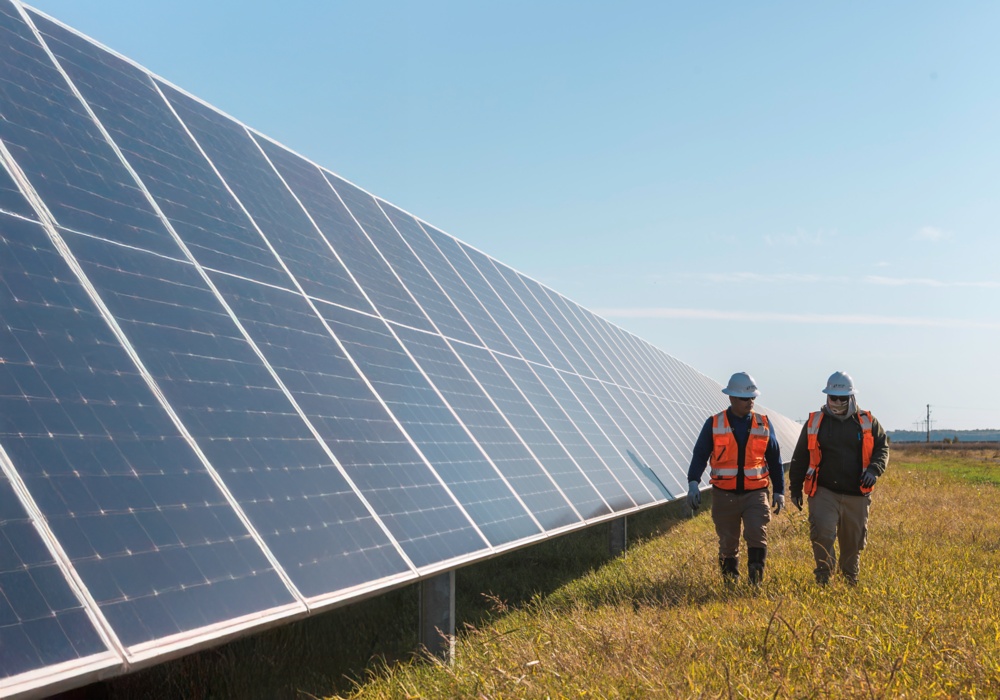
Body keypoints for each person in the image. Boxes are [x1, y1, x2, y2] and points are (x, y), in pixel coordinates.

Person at [788, 371, 889, 586]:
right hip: (825, 491)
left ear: (851, 397)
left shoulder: (868, 422)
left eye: (843, 398)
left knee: (852, 543)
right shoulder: (815, 422)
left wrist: (874, 470)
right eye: (833, 397)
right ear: (826, 397)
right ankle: (824, 578)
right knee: (822, 534)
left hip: (857, 493)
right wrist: (795, 488)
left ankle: (849, 580)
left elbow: (882, 448)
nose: (837, 402)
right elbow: (800, 456)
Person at [687, 372, 785, 584]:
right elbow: (700, 454)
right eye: (744, 398)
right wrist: (693, 482)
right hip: (724, 495)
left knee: (757, 533)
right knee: (728, 542)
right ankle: (730, 583)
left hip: (756, 493)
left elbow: (775, 459)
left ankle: (755, 581)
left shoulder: (764, 424)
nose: (750, 402)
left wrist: (779, 491)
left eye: (753, 398)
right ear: (731, 398)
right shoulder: (714, 423)